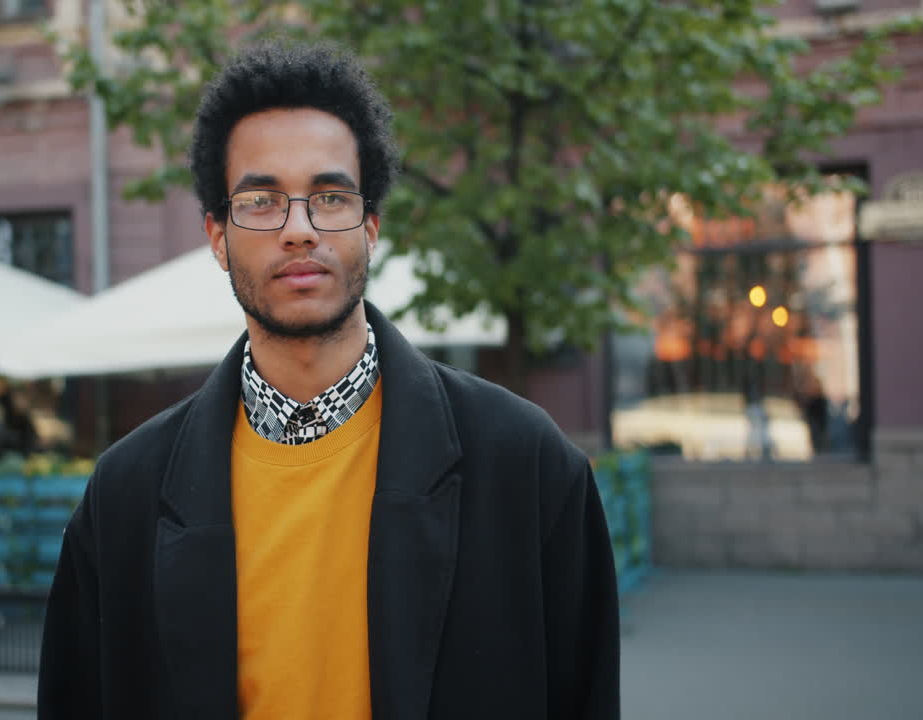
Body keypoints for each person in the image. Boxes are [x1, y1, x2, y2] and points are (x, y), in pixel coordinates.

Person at [38, 42, 619, 719]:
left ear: (371, 225)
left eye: (330, 196)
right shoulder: (124, 498)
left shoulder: (526, 464)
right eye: (261, 201)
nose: (299, 229)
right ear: (217, 236)